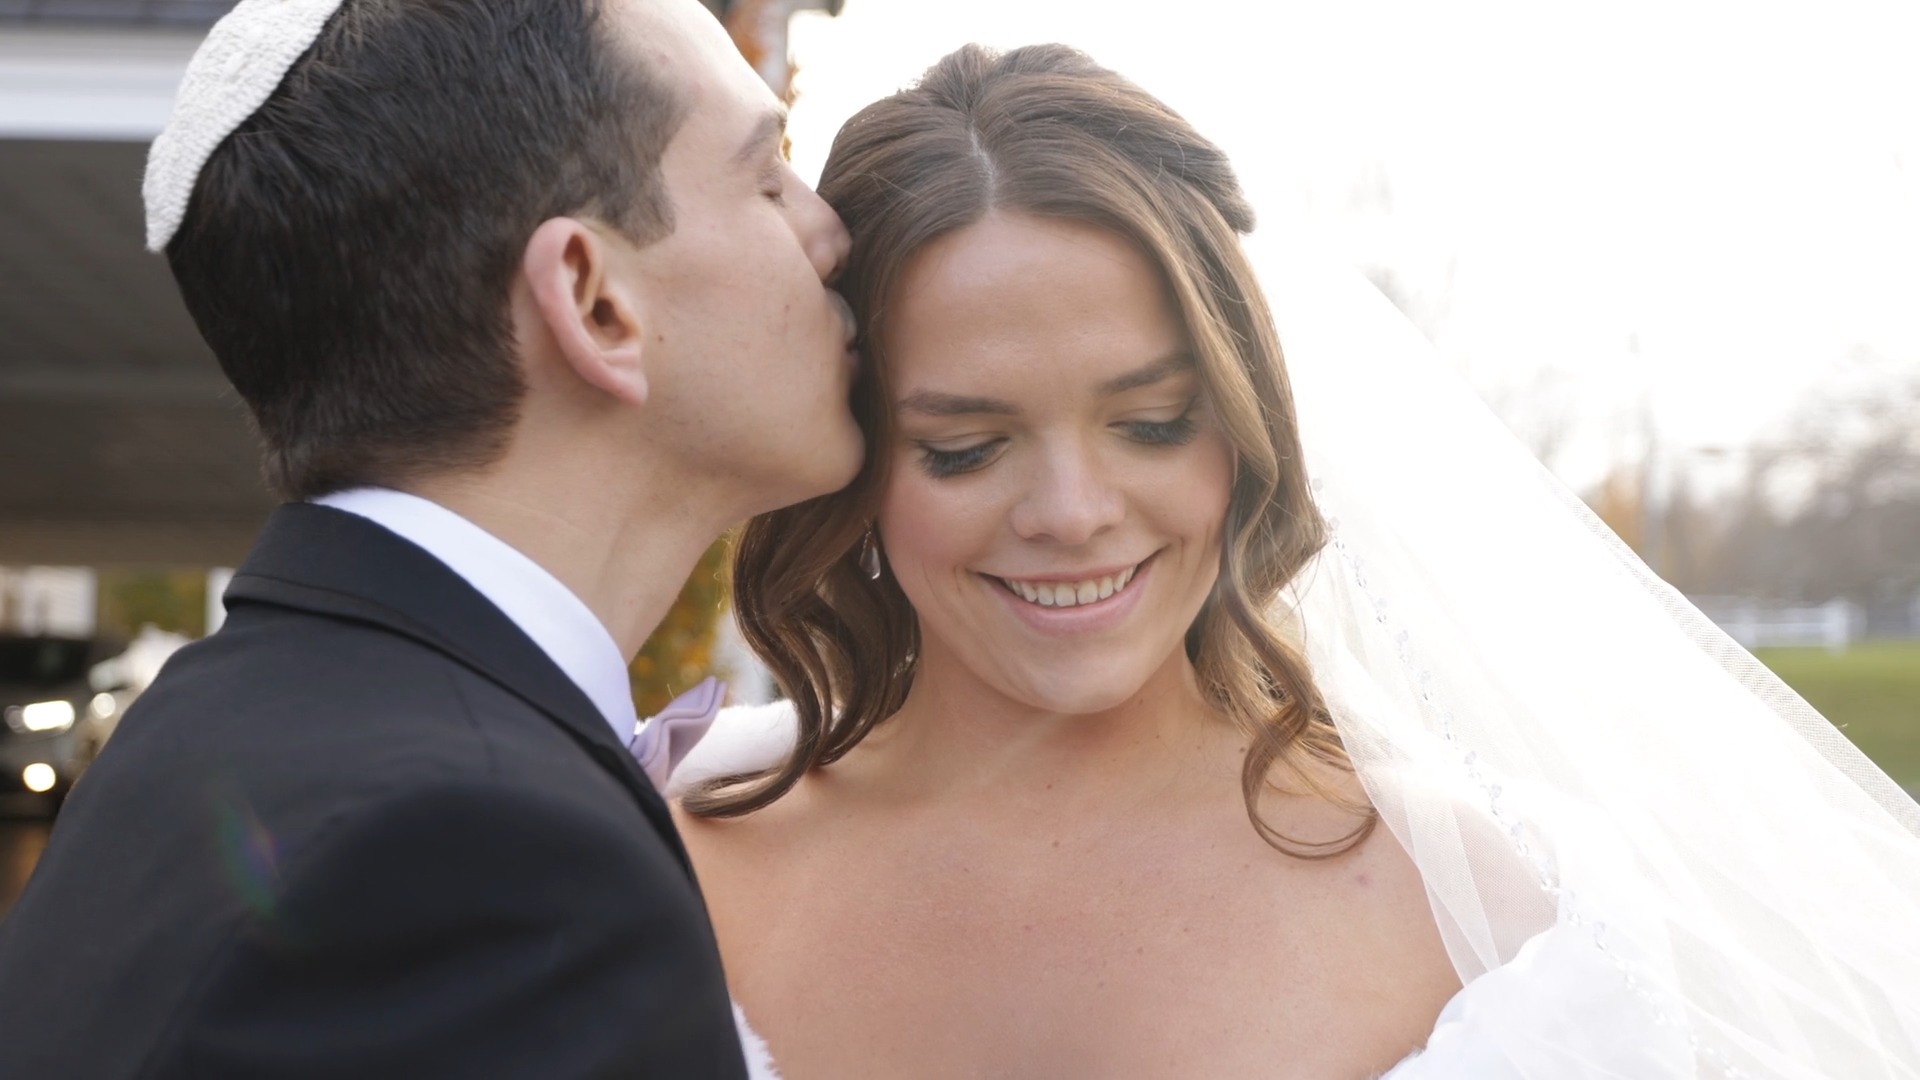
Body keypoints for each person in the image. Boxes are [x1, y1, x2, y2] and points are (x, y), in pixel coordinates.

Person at [667, 43, 1920, 1078]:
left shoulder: (1507, 912)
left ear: (1246, 421)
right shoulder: (670, 854)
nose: (1071, 510)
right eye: (967, 446)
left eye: (1153, 424)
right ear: (855, 457)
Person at [0, 0, 854, 1076]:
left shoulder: (226, 733)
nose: (830, 230)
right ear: (595, 303)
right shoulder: (485, 858)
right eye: (767, 175)